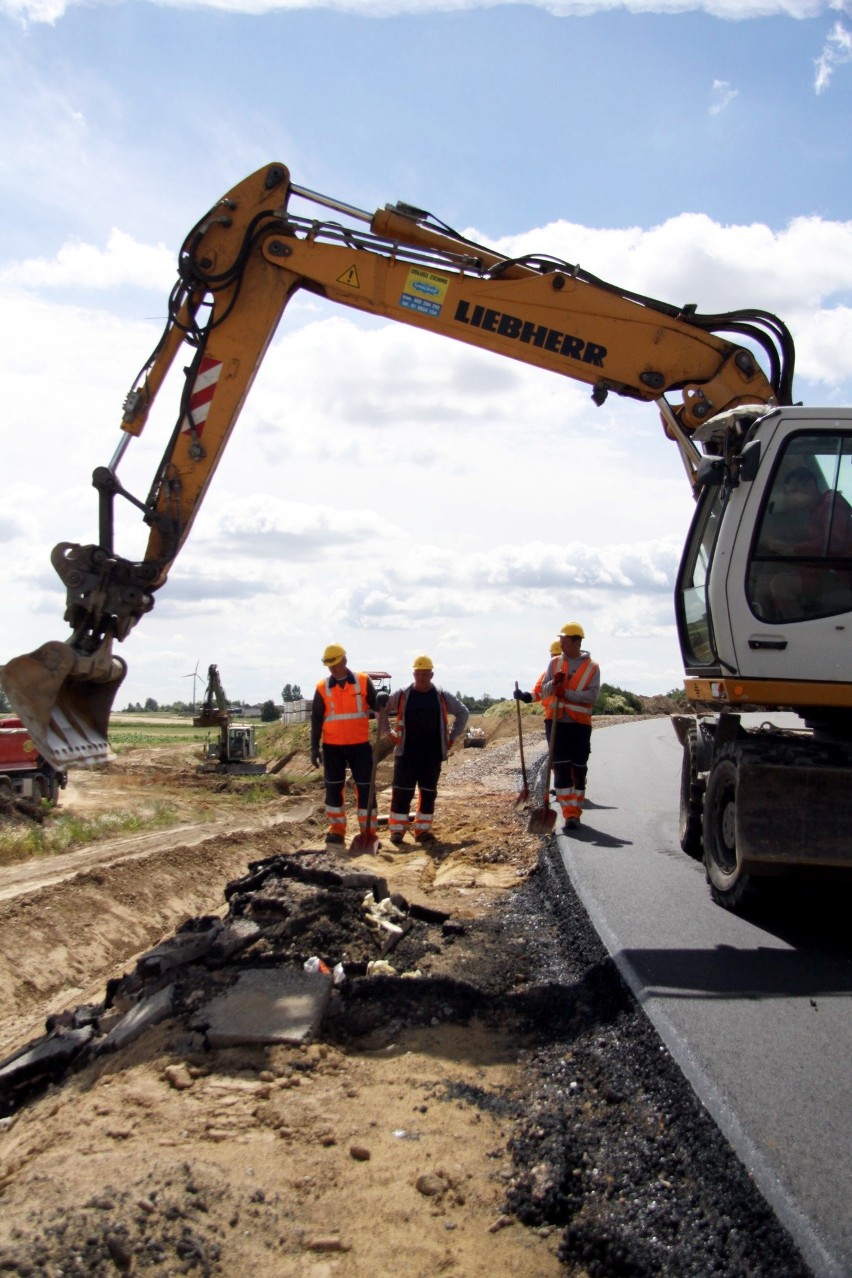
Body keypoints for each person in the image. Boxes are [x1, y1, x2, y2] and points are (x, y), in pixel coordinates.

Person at [514, 622, 600, 831]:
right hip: (556, 723)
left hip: (579, 725)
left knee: (578, 769)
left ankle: (575, 808)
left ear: (576, 641)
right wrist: (552, 685)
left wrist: (566, 693)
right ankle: (568, 812)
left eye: (564, 640)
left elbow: (592, 696)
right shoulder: (554, 664)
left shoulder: (592, 668)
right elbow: (542, 690)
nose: (560, 644)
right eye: (560, 640)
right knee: (561, 768)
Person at [382, 655, 469, 846]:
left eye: (425, 674)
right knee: (401, 792)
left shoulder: (441, 695)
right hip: (407, 753)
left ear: (432, 674)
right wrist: (387, 730)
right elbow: (381, 708)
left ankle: (422, 830)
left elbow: (463, 712)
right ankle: (397, 831)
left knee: (428, 792)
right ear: (414, 674)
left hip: (432, 754)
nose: (421, 678)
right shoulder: (403, 694)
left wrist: (452, 736)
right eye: (418, 674)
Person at [311, 644, 383, 846]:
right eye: (329, 665)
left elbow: (377, 706)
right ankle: (337, 830)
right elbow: (316, 719)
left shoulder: (362, 681)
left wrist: (382, 703)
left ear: (344, 660)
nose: (332, 668)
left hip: (359, 745)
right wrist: (314, 747)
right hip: (332, 747)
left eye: (335, 663)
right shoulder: (322, 687)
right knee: (334, 788)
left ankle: (368, 830)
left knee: (366, 788)